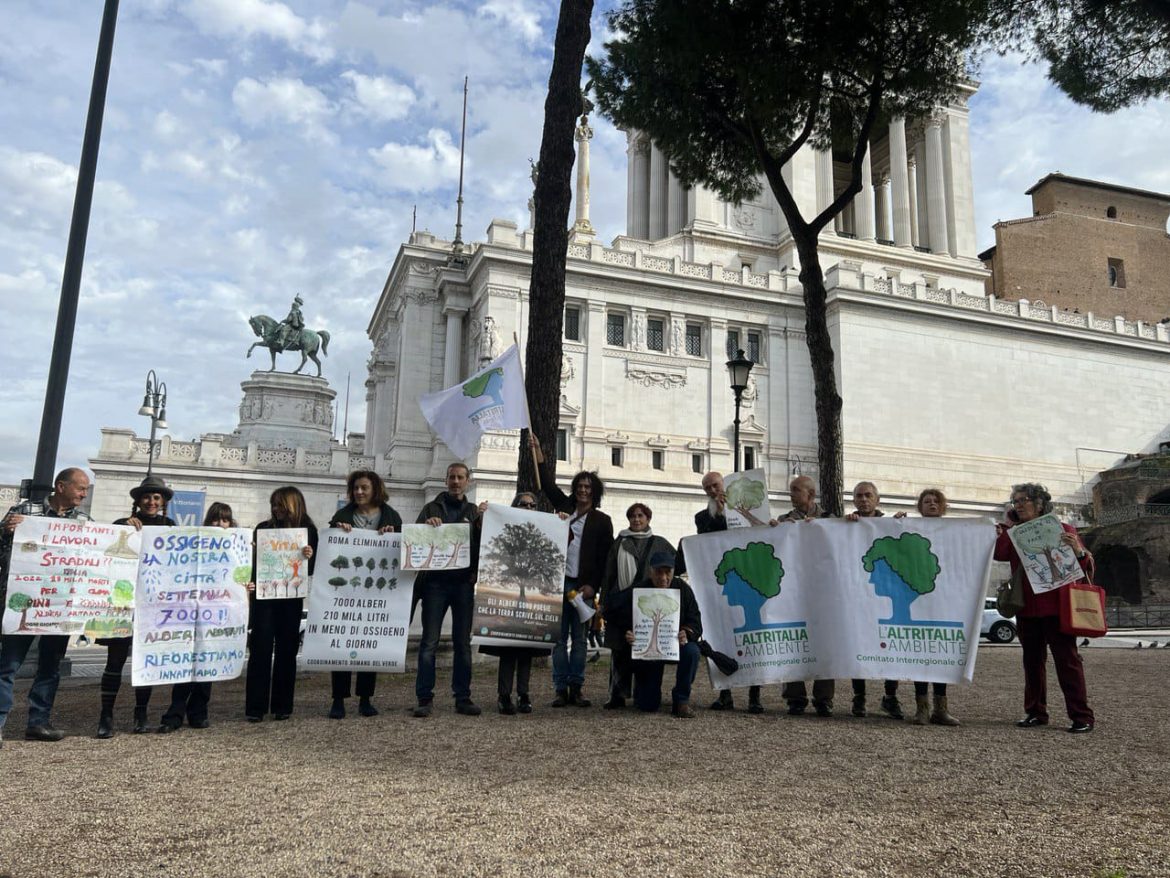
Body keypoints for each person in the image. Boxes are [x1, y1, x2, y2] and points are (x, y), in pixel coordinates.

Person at [0, 468, 91, 747]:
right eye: (80, 488)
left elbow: (95, 556)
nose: (84, 494)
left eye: (86, 489)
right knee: (8, 666)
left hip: (59, 605)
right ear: (60, 486)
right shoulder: (26, 510)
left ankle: (38, 722)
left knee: (50, 666)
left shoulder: (84, 521)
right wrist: (5, 531)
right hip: (24, 601)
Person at [995, 483, 1095, 733]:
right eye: (1014, 501)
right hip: (1027, 607)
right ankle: (1035, 712)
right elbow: (999, 552)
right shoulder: (1014, 532)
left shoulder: (1064, 530)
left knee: (1068, 661)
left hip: (1058, 605)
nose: (1018, 504)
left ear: (1039, 503)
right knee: (1032, 662)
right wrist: (1007, 526)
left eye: (1023, 500)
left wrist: (1078, 550)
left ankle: (1081, 716)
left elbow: (1085, 566)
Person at [532, 434, 614, 708]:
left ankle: (576, 687)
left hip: (583, 586)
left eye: (588, 487)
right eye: (580, 486)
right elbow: (546, 485)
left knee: (579, 640)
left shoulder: (603, 522)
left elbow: (605, 558)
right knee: (558, 639)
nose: (583, 491)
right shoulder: (564, 509)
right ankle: (560, 688)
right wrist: (539, 455)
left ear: (595, 492)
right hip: (558, 583)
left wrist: (595, 587)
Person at [97, 475, 177, 738]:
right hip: (123, 603)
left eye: (157, 497)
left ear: (163, 501)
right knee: (115, 661)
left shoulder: (170, 526)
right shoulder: (122, 525)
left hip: (152, 604)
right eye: (147, 497)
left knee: (146, 660)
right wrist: (126, 530)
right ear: (138, 500)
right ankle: (105, 715)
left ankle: (140, 712)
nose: (152, 501)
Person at [157, 502, 237, 734]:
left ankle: (198, 712)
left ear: (230, 524)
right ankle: (175, 713)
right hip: (190, 613)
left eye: (224, 520)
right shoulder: (195, 544)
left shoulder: (236, 548)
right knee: (185, 666)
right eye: (215, 519)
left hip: (216, 615)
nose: (219, 524)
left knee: (207, 666)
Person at [327, 470, 401, 719]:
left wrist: (394, 536)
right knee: (342, 644)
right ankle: (338, 699)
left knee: (371, 643)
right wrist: (339, 531)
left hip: (376, 594)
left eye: (364, 488)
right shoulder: (342, 516)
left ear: (375, 489)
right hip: (346, 593)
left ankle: (366, 699)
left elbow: (403, 550)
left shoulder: (391, 516)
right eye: (356, 488)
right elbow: (330, 549)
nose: (359, 492)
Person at [413, 462, 484, 718]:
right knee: (429, 642)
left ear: (468, 481)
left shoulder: (474, 511)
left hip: (463, 584)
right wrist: (426, 525)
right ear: (446, 480)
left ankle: (463, 697)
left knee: (463, 643)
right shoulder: (430, 508)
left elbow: (482, 544)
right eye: (452, 477)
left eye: (460, 478)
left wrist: (483, 521)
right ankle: (424, 698)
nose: (456, 482)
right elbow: (415, 542)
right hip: (435, 584)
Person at [246, 487, 316, 722]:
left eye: (280, 504)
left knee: (287, 651)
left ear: (293, 505)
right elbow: (251, 566)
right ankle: (255, 708)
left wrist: (309, 555)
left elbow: (313, 569)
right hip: (265, 599)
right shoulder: (263, 530)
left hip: (291, 598)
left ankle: (282, 706)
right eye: (273, 504)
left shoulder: (309, 531)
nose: (275, 509)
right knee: (260, 651)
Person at [477, 492, 552, 715]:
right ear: (515, 506)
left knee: (527, 648)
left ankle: (523, 693)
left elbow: (564, 540)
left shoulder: (543, 531)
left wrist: (561, 521)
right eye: (523, 504)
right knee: (508, 648)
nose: (528, 508)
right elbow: (484, 539)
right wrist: (482, 516)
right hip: (508, 597)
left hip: (528, 596)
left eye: (532, 505)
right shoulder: (503, 528)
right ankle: (504, 695)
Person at [604, 551, 702, 718]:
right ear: (650, 572)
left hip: (676, 645)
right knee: (647, 706)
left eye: (667, 572)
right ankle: (645, 693)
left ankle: (681, 700)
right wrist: (628, 632)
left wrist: (686, 632)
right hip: (648, 651)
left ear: (673, 572)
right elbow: (610, 609)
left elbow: (696, 620)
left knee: (692, 651)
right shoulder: (640, 590)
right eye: (658, 572)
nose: (663, 577)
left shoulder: (683, 589)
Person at [696, 470, 762, 714]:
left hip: (747, 580)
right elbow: (705, 539)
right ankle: (726, 694)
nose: (714, 491)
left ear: (724, 484)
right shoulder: (702, 517)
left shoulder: (750, 510)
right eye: (708, 489)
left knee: (753, 635)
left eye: (715, 485)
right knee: (721, 635)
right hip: (720, 583)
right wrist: (723, 514)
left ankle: (755, 695)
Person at [600, 503, 676, 709]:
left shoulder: (660, 543)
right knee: (620, 650)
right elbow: (609, 574)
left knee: (646, 649)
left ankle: (645, 692)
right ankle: (617, 693)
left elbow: (676, 566)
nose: (636, 519)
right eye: (632, 516)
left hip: (650, 605)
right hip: (622, 602)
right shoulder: (619, 544)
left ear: (648, 519)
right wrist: (605, 602)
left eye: (640, 515)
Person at [772, 475, 835, 718]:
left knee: (824, 642)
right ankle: (795, 697)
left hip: (822, 591)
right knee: (793, 639)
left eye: (796, 490)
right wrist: (776, 530)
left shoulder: (830, 519)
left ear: (810, 494)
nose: (792, 494)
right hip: (793, 591)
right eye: (791, 490)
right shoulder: (784, 520)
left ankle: (824, 698)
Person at [845, 480, 907, 719]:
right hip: (859, 596)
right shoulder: (848, 525)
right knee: (859, 645)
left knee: (891, 646)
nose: (863, 499)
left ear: (877, 499)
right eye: (859, 496)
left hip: (885, 595)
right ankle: (859, 696)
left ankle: (890, 696)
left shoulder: (890, 524)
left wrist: (901, 522)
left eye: (868, 495)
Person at [908, 489, 960, 726]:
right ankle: (922, 707)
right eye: (926, 501)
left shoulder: (954, 532)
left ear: (943, 506)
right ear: (920, 506)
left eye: (935, 501)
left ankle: (941, 707)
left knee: (940, 654)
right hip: (919, 599)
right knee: (920, 655)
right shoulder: (911, 528)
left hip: (943, 601)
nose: (931, 504)